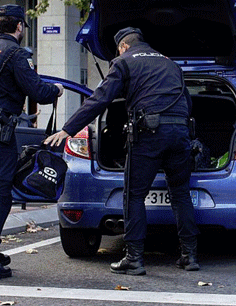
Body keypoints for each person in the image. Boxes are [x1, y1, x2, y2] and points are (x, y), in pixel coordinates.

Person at [45, 27, 200, 275]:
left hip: (148, 135)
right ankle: (189, 256)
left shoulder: (123, 62)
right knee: (181, 194)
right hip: (180, 133)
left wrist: (68, 129)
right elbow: (188, 103)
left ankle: (134, 259)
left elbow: (100, 99)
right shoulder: (170, 64)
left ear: (124, 46)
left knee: (134, 195)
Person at [0, 4, 64, 279]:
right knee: (2, 192)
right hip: (1, 134)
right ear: (19, 27)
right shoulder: (16, 54)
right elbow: (36, 90)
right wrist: (56, 90)